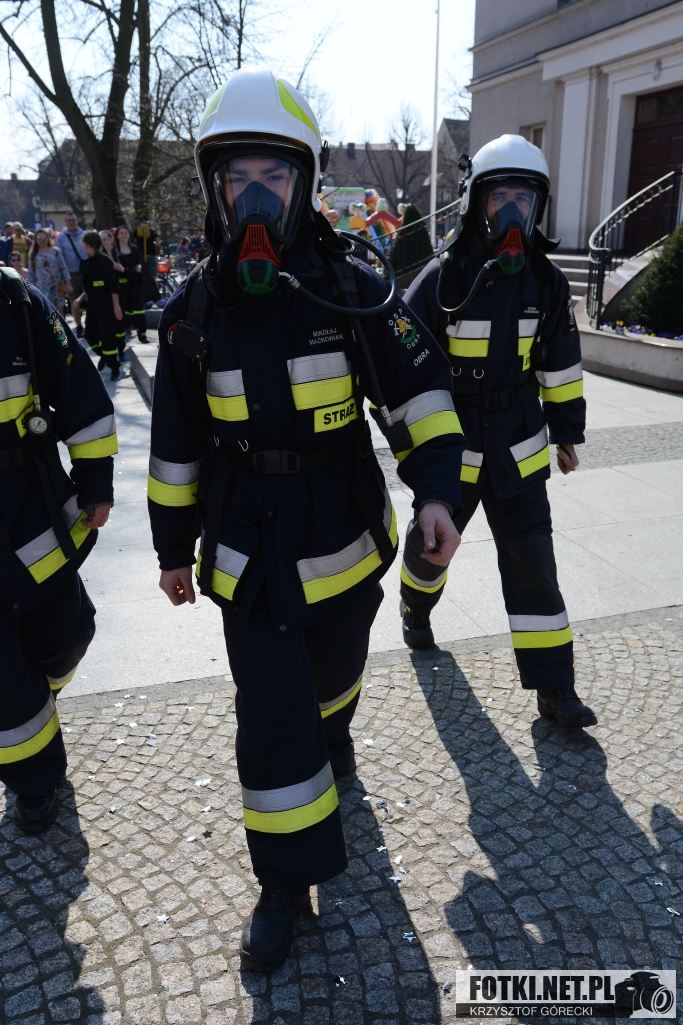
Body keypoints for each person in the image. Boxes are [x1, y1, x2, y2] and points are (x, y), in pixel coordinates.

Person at [149, 67, 465, 972]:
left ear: (305, 184)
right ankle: (285, 881)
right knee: (271, 711)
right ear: (215, 189)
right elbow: (175, 446)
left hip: (341, 533)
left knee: (332, 677)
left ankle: (335, 736)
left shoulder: (353, 287)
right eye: (238, 178)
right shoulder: (192, 314)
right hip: (247, 542)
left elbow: (420, 394)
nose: (255, 197)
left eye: (274, 177)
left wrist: (435, 492)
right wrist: (173, 549)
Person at [401, 133, 597, 730]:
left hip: (518, 451)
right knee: (432, 549)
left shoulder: (548, 282)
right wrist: (418, 449)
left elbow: (560, 364)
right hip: (453, 451)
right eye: (500, 198)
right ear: (475, 203)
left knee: (534, 566)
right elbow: (404, 363)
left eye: (523, 200)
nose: (512, 212)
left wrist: (567, 431)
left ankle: (556, 689)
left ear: (537, 208)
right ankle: (415, 607)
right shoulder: (443, 278)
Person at [0, 264, 116, 833]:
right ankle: (34, 782)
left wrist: (96, 480)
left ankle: (40, 697)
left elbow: (76, 387)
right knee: (3, 675)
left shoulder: (15, 300)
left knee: (66, 636)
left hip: (31, 505)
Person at [73, 231, 123, 381]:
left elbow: (113, 286)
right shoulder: (87, 262)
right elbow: (89, 288)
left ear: (87, 244)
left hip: (106, 306)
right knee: (90, 336)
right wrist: (80, 298)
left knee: (107, 339)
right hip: (93, 307)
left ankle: (114, 367)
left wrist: (116, 307)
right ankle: (105, 357)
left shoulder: (103, 261)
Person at [114, 225, 148, 344]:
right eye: (121, 233)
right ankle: (126, 327)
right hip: (122, 284)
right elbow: (117, 268)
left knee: (138, 306)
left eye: (126, 233)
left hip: (135, 281)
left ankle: (142, 333)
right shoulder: (115, 250)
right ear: (117, 236)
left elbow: (138, 263)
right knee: (125, 307)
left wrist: (138, 266)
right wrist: (128, 269)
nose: (124, 235)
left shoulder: (134, 248)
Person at [55, 213, 87, 333]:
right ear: (65, 222)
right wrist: (63, 276)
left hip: (86, 272)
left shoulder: (84, 234)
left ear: (77, 221)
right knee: (74, 302)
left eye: (73, 220)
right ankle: (79, 326)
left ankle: (91, 323)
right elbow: (59, 257)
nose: (71, 222)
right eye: (68, 220)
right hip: (71, 274)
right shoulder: (61, 237)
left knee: (89, 298)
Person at [28, 229, 72, 315]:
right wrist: (30, 288)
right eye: (39, 238)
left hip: (57, 286)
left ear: (48, 238)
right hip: (42, 287)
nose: (42, 240)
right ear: (35, 240)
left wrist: (68, 284)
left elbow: (63, 268)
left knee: (59, 311)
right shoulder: (33, 253)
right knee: (46, 311)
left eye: (44, 238)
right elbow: (31, 273)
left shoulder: (56, 251)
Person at [100, 229, 127, 358]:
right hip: (104, 296)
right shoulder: (98, 257)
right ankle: (109, 352)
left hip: (120, 294)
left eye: (104, 240)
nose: (102, 243)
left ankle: (121, 348)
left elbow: (132, 273)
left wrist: (122, 269)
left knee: (119, 324)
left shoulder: (119, 255)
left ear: (111, 240)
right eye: (100, 240)